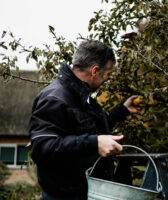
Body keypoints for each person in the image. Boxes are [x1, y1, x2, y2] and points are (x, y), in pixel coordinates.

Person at [28, 40, 142, 199]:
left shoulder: (80, 97)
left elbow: (87, 128)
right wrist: (94, 143)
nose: (106, 80)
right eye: (107, 74)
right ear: (95, 70)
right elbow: (42, 147)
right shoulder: (55, 99)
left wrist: (122, 110)